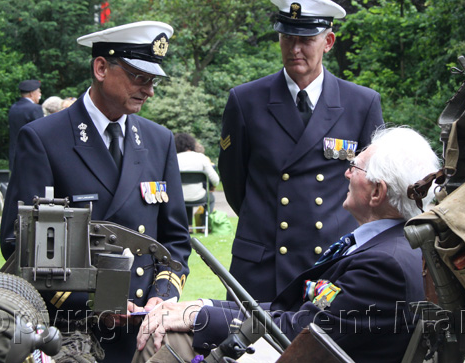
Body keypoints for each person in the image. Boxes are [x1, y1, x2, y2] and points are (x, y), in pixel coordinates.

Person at [133, 126, 439, 363]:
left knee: (165, 339)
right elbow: (296, 313)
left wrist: (195, 318)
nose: (345, 172)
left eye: (355, 168)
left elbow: (297, 331)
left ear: (377, 192)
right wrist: (205, 305)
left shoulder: (383, 264)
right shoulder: (391, 246)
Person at [0, 21, 191, 361]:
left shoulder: (159, 139)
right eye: (139, 77)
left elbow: (175, 240)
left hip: (144, 330)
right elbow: (20, 245)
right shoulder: (44, 138)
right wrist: (93, 301)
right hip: (73, 332)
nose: (149, 91)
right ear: (101, 68)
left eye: (153, 81)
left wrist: (162, 294)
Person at [218, 0, 384, 302]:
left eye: (306, 40)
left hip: (329, 263)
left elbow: (372, 186)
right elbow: (234, 182)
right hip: (264, 264)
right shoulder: (246, 100)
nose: (295, 49)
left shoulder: (361, 104)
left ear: (328, 42)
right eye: (287, 38)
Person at [174, 133, 220, 227]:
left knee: (185, 195)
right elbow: (215, 180)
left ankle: (189, 226)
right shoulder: (201, 157)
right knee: (211, 198)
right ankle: (204, 225)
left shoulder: (174, 158)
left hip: (179, 197)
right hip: (198, 196)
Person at [8, 79, 43, 168]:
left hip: (15, 154)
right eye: (39, 92)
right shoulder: (35, 108)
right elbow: (41, 133)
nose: (40, 94)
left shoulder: (13, 108)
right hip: (32, 155)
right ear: (32, 94)